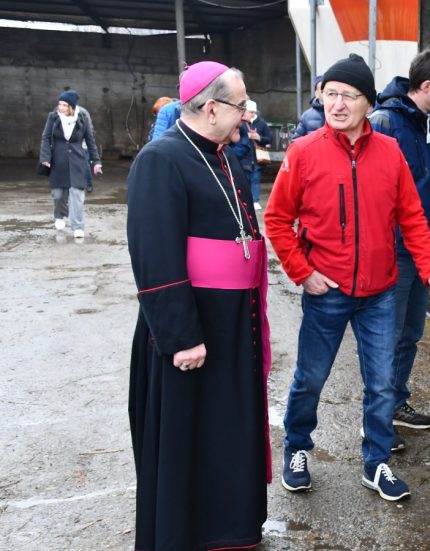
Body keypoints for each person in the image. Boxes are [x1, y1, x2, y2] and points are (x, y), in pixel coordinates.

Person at [265, 54, 430, 502]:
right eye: (329, 94)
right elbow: (277, 220)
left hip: (379, 292)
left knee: (382, 381)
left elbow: (412, 218)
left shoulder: (389, 152)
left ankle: (376, 462)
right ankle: (297, 449)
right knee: (310, 377)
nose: (336, 103)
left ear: (367, 104)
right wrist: (303, 272)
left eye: (348, 96)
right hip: (326, 290)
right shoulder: (304, 152)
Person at [125, 60, 269, 549]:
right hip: (192, 327)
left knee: (223, 433)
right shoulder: (161, 158)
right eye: (241, 104)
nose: (247, 114)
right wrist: (183, 337)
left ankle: (226, 528)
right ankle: (184, 534)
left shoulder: (222, 155)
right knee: (189, 438)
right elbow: (154, 253)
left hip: (230, 322)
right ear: (211, 108)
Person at [368, 49, 430, 434]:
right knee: (387, 334)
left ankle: (394, 401)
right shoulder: (386, 122)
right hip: (394, 248)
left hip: (421, 247)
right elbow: (372, 191)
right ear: (426, 86)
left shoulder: (426, 123)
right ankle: (376, 416)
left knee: (410, 332)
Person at [39, 89, 102, 239]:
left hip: (77, 160)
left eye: (64, 105)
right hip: (58, 160)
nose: (60, 107)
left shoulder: (82, 118)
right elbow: (46, 138)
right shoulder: (53, 117)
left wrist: (96, 161)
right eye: (59, 104)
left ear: (71, 107)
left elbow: (90, 141)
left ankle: (78, 226)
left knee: (77, 194)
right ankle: (60, 215)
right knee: (58, 194)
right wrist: (45, 158)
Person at [231, 100, 272, 211]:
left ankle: (255, 200)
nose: (250, 114)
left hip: (257, 159)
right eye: (249, 111)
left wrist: (259, 138)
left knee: (255, 180)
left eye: (252, 112)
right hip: (244, 159)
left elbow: (269, 139)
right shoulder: (241, 123)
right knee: (244, 181)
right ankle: (245, 200)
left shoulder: (261, 123)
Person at [291, 75, 325, 139]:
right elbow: (296, 140)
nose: (326, 93)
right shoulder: (306, 116)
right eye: (322, 91)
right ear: (316, 94)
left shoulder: (338, 113)